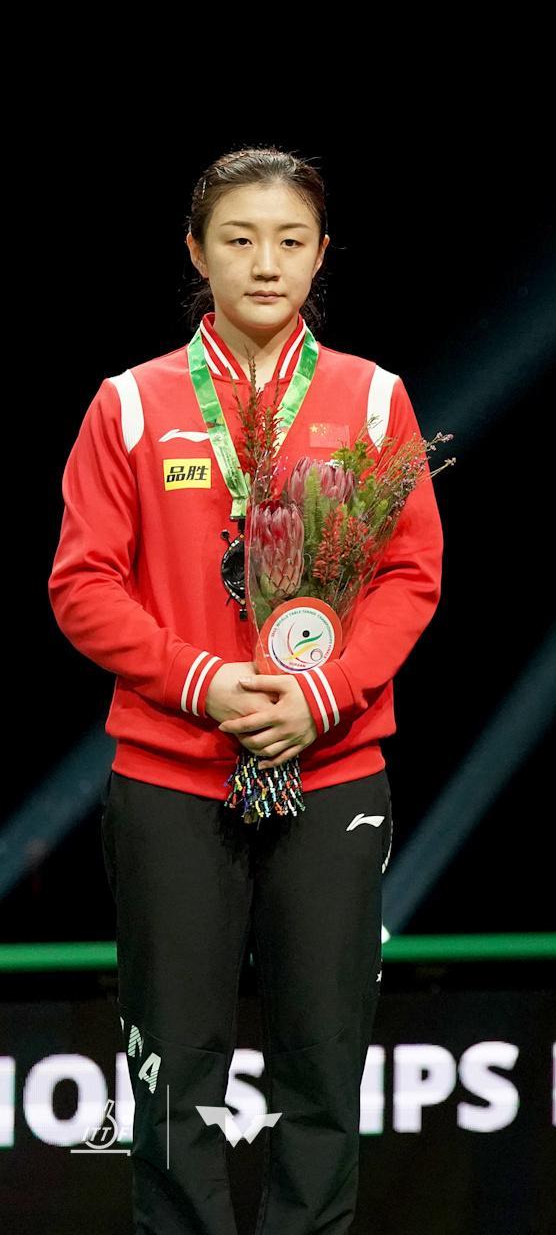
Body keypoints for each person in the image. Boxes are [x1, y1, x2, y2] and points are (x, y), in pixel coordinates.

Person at [49, 147, 443, 1233]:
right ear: (196, 251)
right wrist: (204, 682)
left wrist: (326, 693)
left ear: (320, 255)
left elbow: (411, 575)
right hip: (173, 772)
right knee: (174, 1067)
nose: (265, 263)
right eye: (239, 238)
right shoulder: (131, 404)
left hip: (332, 765)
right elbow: (82, 583)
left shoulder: (373, 398)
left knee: (325, 1058)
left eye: (289, 240)